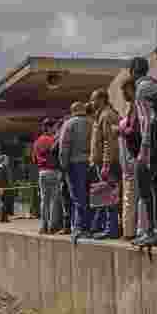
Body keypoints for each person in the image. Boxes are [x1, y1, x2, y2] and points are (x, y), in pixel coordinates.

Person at [129, 56, 157, 247]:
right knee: (151, 188)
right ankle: (152, 229)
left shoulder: (144, 87)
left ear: (132, 72)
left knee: (150, 188)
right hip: (152, 142)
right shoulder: (149, 85)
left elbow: (146, 119)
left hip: (150, 144)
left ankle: (155, 230)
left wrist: (144, 147)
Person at [90, 89, 121, 239]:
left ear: (102, 99)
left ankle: (112, 229)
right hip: (104, 162)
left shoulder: (107, 115)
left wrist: (106, 164)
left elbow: (110, 142)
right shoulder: (102, 115)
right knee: (108, 197)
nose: (91, 102)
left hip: (107, 163)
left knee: (110, 197)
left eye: (93, 99)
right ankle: (111, 227)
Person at [59, 101, 92, 240]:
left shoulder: (69, 124)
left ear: (73, 111)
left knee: (77, 196)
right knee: (89, 195)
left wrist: (63, 164)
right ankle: (90, 225)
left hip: (74, 163)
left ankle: (79, 227)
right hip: (90, 162)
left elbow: (64, 146)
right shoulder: (91, 122)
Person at [117, 78, 140, 240]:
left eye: (125, 90)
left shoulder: (137, 107)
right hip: (130, 160)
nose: (123, 94)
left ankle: (131, 231)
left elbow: (134, 131)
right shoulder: (133, 107)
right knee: (131, 197)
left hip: (135, 158)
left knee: (133, 196)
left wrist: (120, 131)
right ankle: (131, 230)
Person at [33, 118, 62, 235]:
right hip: (53, 171)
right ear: (49, 128)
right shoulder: (53, 140)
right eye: (53, 127)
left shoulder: (37, 142)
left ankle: (43, 226)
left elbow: (34, 159)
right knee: (54, 200)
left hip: (42, 172)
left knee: (44, 200)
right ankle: (52, 226)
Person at [0, 150, 12, 223]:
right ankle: (2, 217)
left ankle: (5, 217)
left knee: (5, 202)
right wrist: (0, 188)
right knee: (2, 202)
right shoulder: (0, 168)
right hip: (2, 187)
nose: (8, 160)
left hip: (5, 187)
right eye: (6, 159)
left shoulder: (5, 167)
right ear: (3, 160)